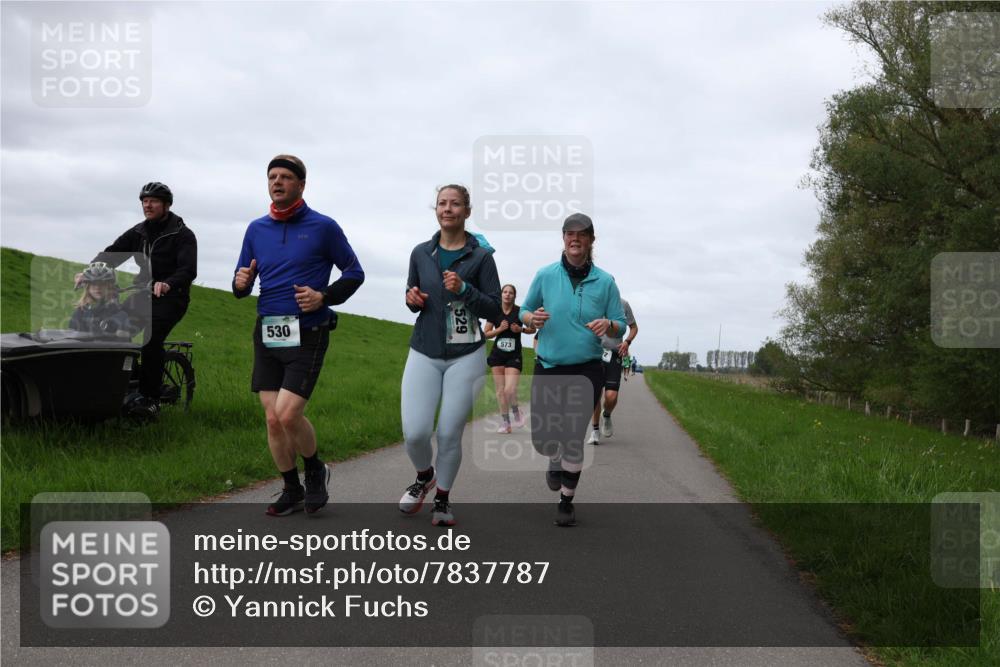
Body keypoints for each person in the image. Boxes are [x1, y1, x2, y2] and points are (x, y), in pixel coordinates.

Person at [233, 155, 364, 516]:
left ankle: (315, 469)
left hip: (308, 330)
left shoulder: (323, 227)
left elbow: (354, 272)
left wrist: (325, 296)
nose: (277, 182)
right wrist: (240, 283)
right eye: (272, 177)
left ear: (301, 185)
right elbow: (242, 278)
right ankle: (291, 488)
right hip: (268, 331)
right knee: (272, 418)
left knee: (288, 414)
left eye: (286, 177)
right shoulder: (256, 229)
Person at [399, 184, 502, 527]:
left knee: (447, 433)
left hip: (466, 354)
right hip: (424, 350)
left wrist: (465, 289)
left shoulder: (481, 257)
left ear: (467, 211)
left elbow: (496, 312)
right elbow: (412, 294)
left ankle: (442, 499)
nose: (447, 209)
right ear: (436, 210)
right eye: (442, 203)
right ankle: (424, 475)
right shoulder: (420, 253)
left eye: (455, 204)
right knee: (414, 432)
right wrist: (411, 298)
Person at [520, 213, 626, 527]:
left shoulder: (605, 281)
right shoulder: (545, 275)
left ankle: (566, 501)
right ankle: (553, 457)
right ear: (563, 238)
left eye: (582, 234)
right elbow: (524, 310)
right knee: (543, 438)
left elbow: (619, 326)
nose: (575, 239)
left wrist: (608, 324)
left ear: (592, 240)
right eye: (570, 234)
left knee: (572, 437)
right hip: (549, 365)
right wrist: (531, 320)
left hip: (587, 369)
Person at [82, 182, 197, 413]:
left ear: (166, 205)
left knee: (151, 341)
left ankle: (150, 399)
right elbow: (111, 254)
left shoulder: (182, 234)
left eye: (153, 201)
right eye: (144, 201)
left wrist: (168, 284)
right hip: (143, 294)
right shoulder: (138, 232)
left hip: (172, 298)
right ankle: (126, 384)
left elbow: (188, 270)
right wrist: (89, 272)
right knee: (113, 332)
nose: (148, 205)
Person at [484, 284, 535, 433]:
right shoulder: (495, 311)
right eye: (505, 292)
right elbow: (486, 333)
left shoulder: (520, 312)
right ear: (501, 294)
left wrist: (521, 330)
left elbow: (533, 329)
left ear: (514, 296)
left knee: (509, 389)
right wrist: (499, 329)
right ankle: (506, 424)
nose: (507, 295)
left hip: (514, 356)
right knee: (500, 391)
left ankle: (516, 412)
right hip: (497, 355)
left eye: (510, 293)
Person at [588, 299, 637, 444]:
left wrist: (627, 342)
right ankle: (595, 431)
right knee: (595, 395)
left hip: (614, 354)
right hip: (594, 353)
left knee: (611, 396)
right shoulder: (592, 301)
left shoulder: (623, 304)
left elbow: (634, 327)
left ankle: (607, 414)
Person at [69, 262, 133, 338]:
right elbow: (72, 338)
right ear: (87, 288)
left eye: (102, 284)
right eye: (93, 284)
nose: (97, 287)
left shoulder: (120, 315)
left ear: (109, 287)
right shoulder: (80, 313)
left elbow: (123, 343)